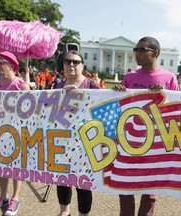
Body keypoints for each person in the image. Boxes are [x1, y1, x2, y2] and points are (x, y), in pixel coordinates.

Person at [113, 36, 179, 216]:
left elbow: (177, 110)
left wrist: (163, 96)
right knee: (125, 183)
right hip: (130, 137)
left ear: (155, 53)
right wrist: (118, 92)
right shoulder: (130, 77)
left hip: (156, 139)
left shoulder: (169, 78)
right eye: (136, 50)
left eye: (142, 50)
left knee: (150, 188)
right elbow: (120, 105)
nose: (138, 54)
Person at [0, 51, 30, 216]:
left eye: (1, 62)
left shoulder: (21, 85)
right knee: (1, 165)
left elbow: (29, 113)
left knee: (16, 166)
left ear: (12, 65)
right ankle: (3, 197)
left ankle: (15, 199)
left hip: (16, 133)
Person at [55, 50, 100, 216]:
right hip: (62, 138)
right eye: (68, 62)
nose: (71, 65)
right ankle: (64, 211)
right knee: (62, 179)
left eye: (76, 62)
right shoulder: (58, 84)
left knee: (83, 182)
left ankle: (83, 214)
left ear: (82, 65)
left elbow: (100, 107)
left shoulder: (91, 84)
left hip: (85, 141)